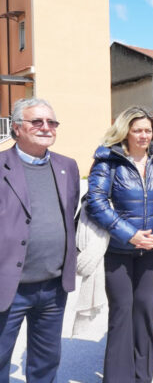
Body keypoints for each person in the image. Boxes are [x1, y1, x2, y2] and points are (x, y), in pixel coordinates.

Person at [86, 106, 153, 383]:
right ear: (125, 131)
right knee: (121, 312)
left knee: (144, 311)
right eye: (137, 130)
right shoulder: (108, 160)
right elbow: (96, 203)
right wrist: (130, 235)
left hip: (151, 250)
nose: (143, 136)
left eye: (148, 130)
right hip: (118, 250)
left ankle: (142, 376)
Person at [0, 98, 80, 382]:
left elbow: (70, 213)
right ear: (17, 128)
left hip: (53, 287)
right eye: (37, 122)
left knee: (46, 362)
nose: (46, 127)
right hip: (8, 286)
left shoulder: (67, 166)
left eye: (52, 122)